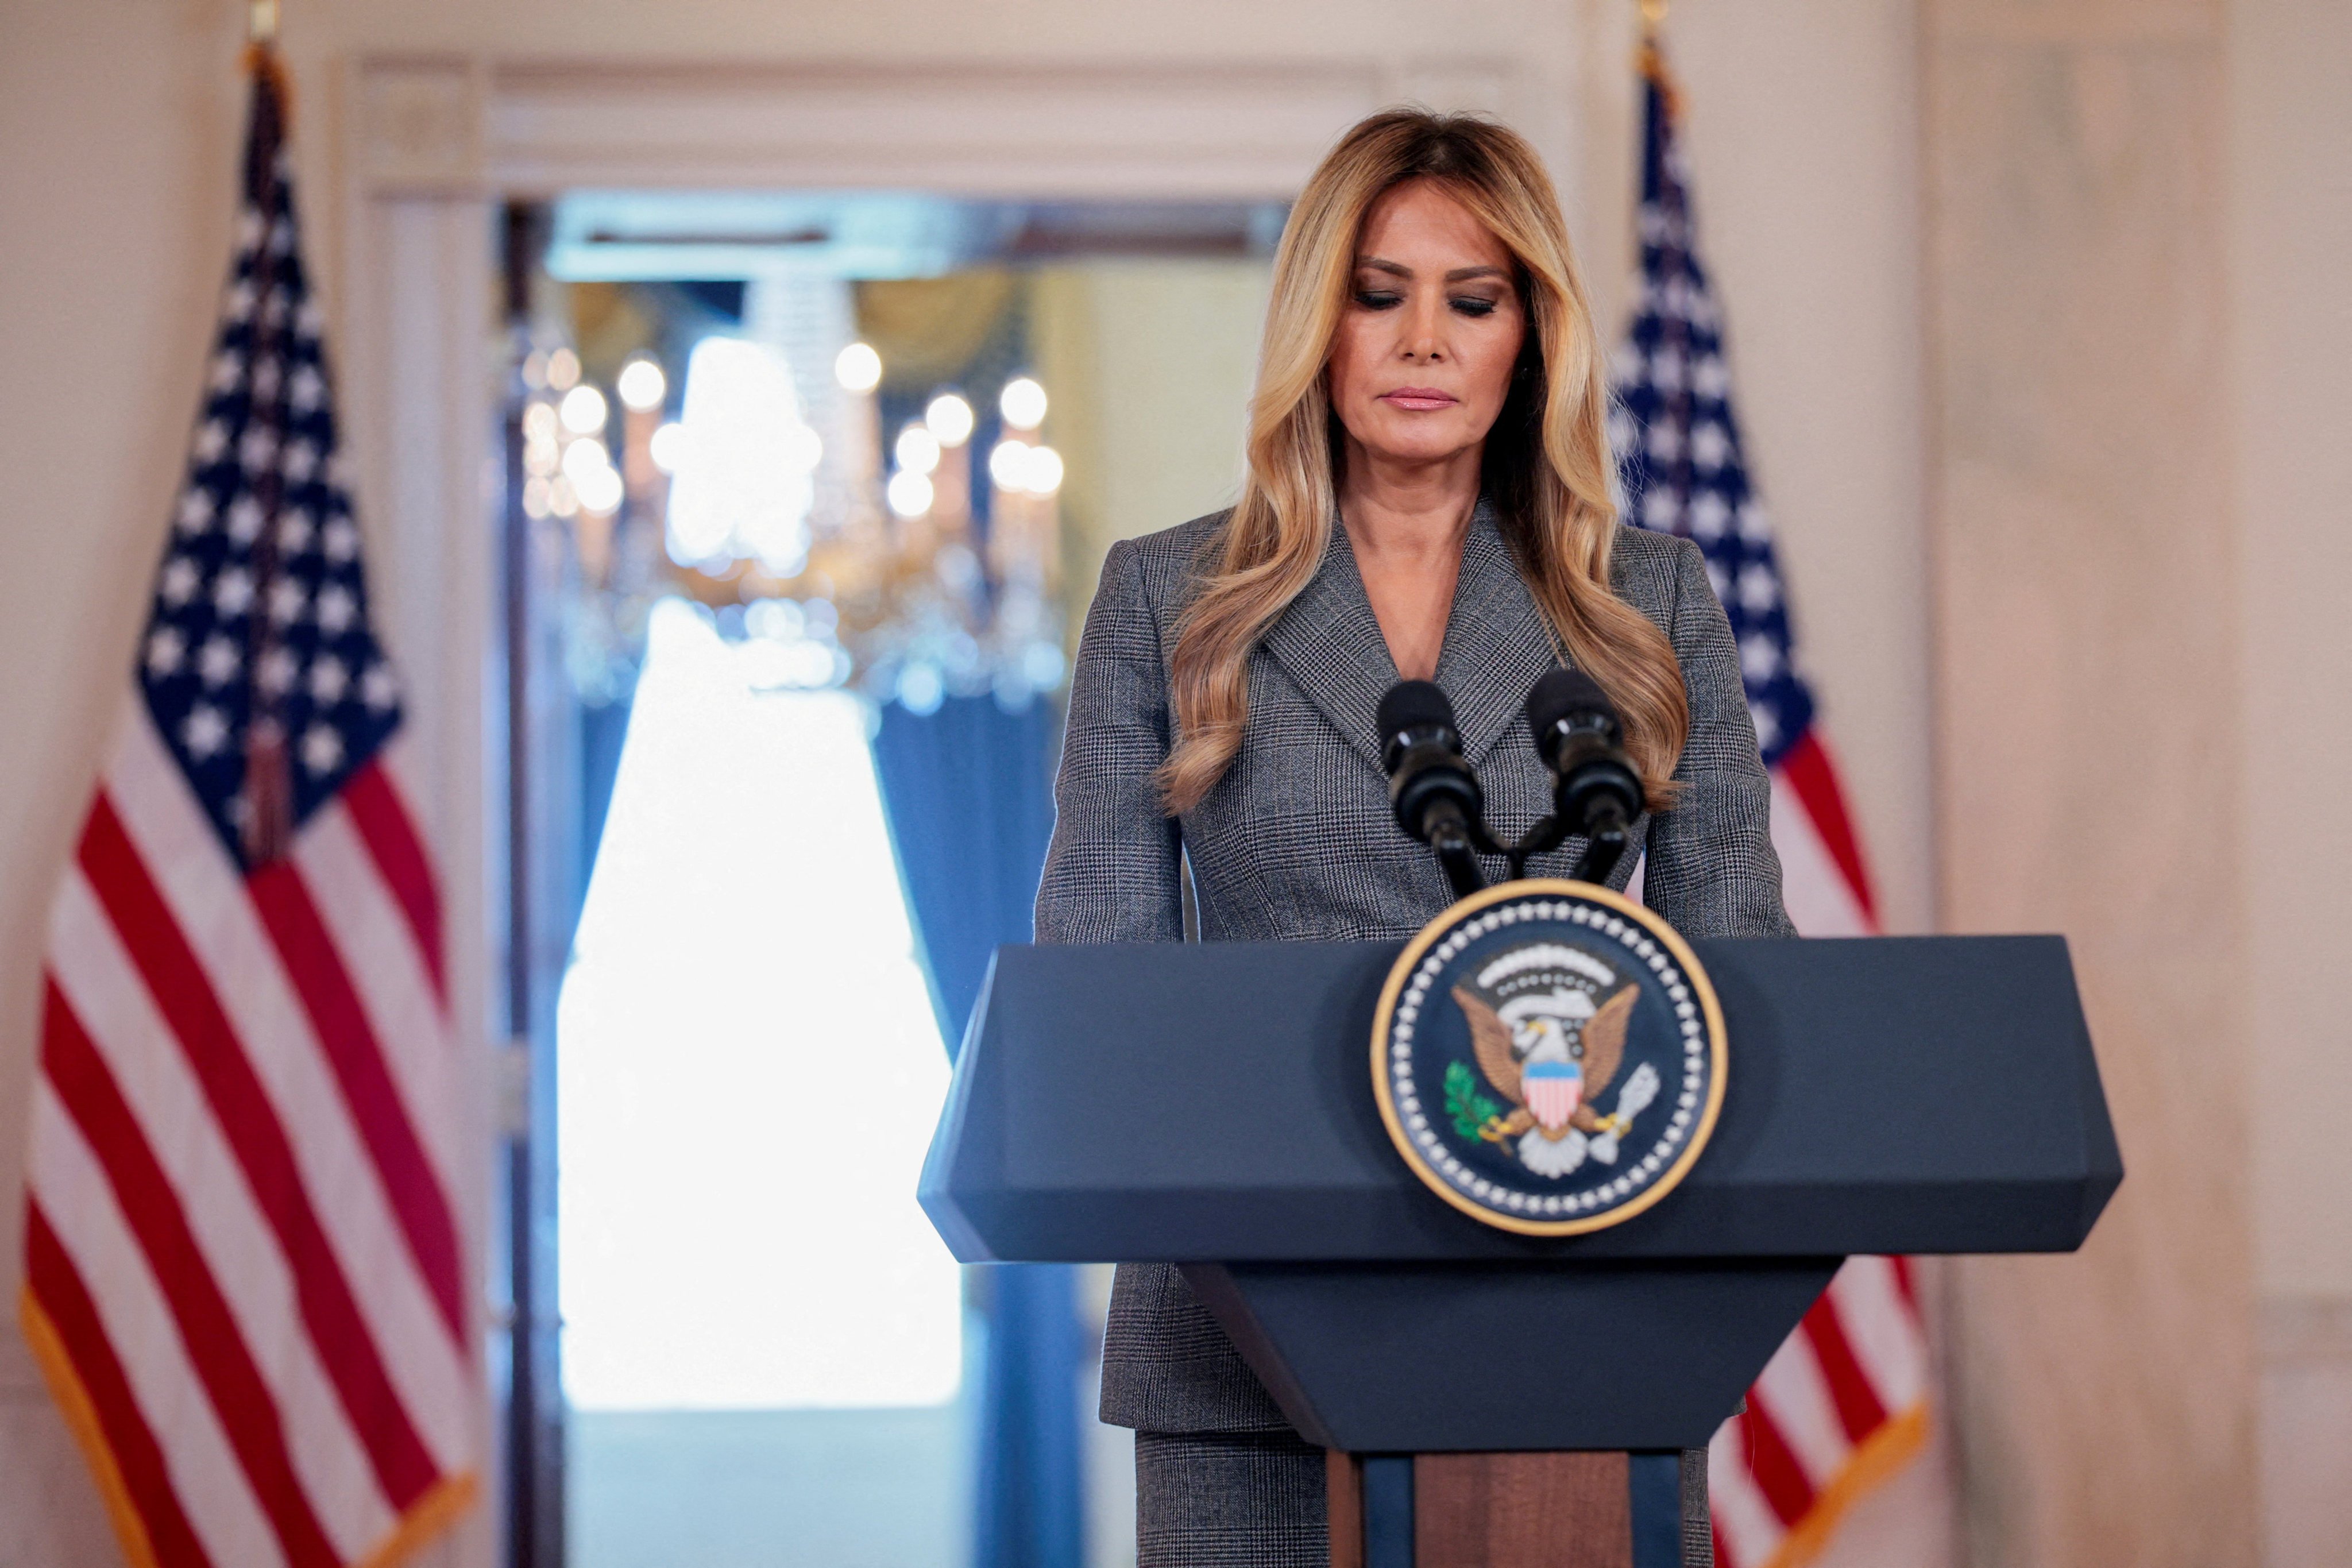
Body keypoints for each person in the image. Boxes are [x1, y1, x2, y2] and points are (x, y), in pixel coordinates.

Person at [1034, 107, 1791, 1567]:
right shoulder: (1167, 600)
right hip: (1248, 1349)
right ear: (1315, 330)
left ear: (1531, 337)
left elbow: (1741, 974)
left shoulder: (1645, 601)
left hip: (1581, 1327)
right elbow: (1098, 996)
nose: (1422, 341)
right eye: (1377, 296)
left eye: (1472, 299)